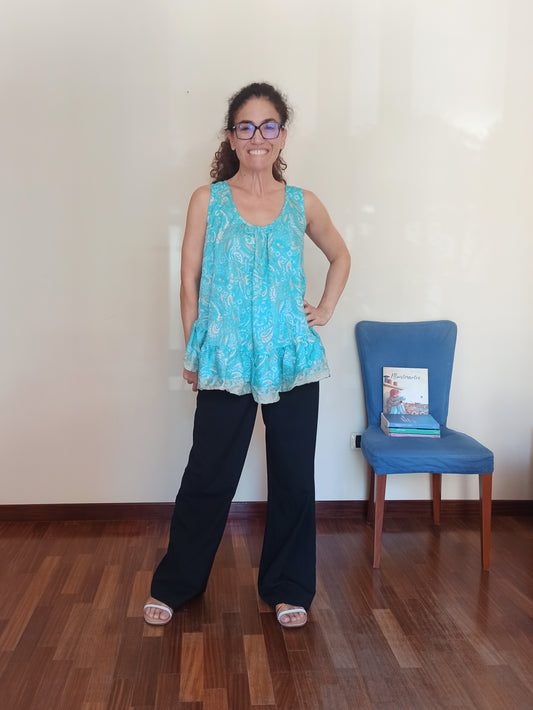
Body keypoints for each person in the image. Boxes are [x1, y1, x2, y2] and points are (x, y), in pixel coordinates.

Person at [144, 82, 350, 629]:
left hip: (292, 359)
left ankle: (288, 587)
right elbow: (188, 282)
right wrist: (195, 350)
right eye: (246, 126)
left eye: (268, 126)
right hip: (226, 359)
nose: (258, 136)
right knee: (208, 474)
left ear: (282, 136)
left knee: (293, 476)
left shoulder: (303, 203)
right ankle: (177, 583)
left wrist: (325, 308)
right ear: (232, 137)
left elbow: (340, 255)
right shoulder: (207, 200)